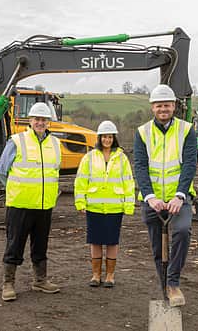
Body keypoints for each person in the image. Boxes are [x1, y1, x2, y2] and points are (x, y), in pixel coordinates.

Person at [134, 84, 197, 307]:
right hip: (153, 201)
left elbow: (189, 164)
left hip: (179, 199)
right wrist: (149, 196)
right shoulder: (143, 132)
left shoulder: (186, 130)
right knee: (157, 248)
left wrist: (179, 196)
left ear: (174, 106)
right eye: (159, 105)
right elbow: (140, 166)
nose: (163, 109)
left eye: (167, 105)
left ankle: (173, 283)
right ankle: (165, 288)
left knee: (182, 231)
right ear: (152, 107)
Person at [0, 102, 62, 302]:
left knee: (40, 246)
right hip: (20, 205)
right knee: (14, 245)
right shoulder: (17, 141)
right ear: (30, 121)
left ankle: (40, 280)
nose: (40, 123)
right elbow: (2, 170)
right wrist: (17, 189)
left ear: (48, 122)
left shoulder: (55, 144)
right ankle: (8, 284)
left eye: (44, 120)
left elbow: (55, 171)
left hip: (44, 205)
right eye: (37, 119)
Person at [73, 120, 135, 288]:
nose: (107, 140)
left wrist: (129, 204)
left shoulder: (122, 158)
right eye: (104, 137)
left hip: (115, 207)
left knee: (112, 242)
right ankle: (96, 275)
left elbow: (128, 182)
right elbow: (81, 181)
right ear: (99, 138)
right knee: (95, 241)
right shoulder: (89, 157)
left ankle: (110, 275)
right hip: (94, 206)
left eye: (110, 137)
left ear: (114, 138)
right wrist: (80, 201)